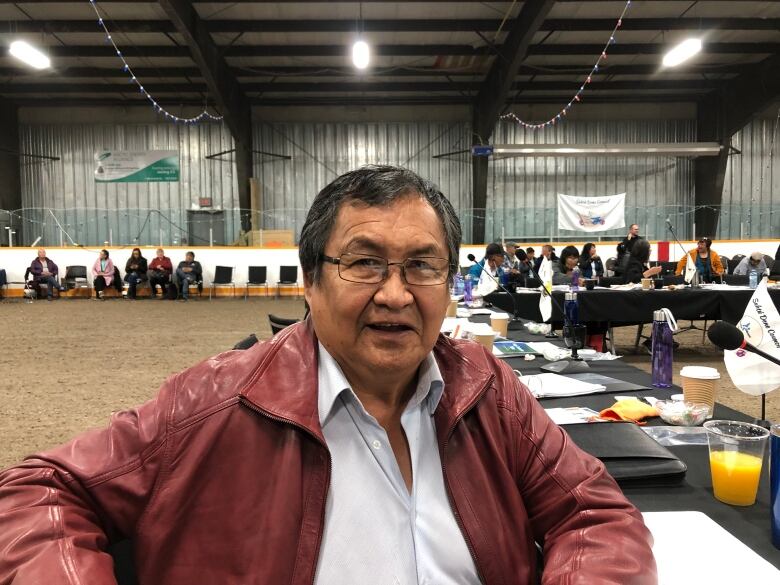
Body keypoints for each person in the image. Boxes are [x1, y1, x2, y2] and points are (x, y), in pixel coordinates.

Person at [0, 165, 656, 584]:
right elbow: (35, 488)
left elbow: (594, 512)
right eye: (365, 263)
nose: (396, 294)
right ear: (311, 280)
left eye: (422, 266)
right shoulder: (214, 400)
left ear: (449, 284)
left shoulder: (488, 391)